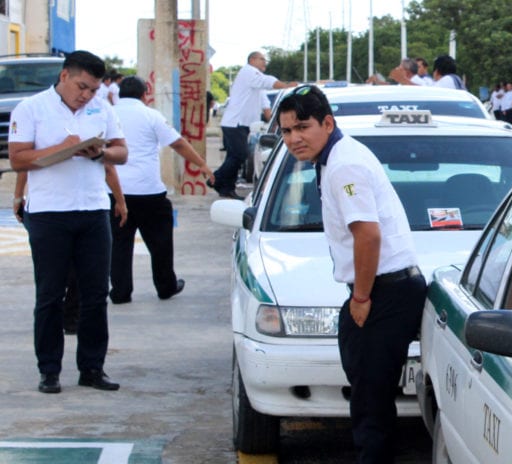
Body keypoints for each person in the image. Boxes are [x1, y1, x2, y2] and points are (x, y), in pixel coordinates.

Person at [276, 85, 427, 463]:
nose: (294, 138)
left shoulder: (344, 164)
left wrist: (361, 298)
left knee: (370, 404)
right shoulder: (334, 158)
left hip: (384, 291)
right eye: (286, 131)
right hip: (384, 288)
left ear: (328, 123)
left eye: (302, 127)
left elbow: (368, 235)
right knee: (369, 397)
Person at [8, 50, 128, 394]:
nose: (87, 95)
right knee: (49, 295)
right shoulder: (31, 108)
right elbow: (18, 159)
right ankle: (49, 371)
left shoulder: (101, 109)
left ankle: (92, 368)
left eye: (93, 89)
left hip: (92, 211)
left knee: (95, 295)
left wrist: (100, 153)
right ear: (64, 76)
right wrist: (61, 148)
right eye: (82, 87)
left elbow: (122, 152)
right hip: (48, 214)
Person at [109, 76, 215, 304]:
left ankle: (120, 291)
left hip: (115, 192)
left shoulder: (107, 114)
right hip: (148, 192)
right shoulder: (151, 115)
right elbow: (177, 143)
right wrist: (201, 164)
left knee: (119, 243)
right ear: (145, 94)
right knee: (160, 242)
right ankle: (165, 286)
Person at [13, 167, 128, 335]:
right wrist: (120, 200)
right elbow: (108, 167)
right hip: (79, 211)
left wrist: (18, 197)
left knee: (54, 276)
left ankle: (64, 315)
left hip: (45, 213)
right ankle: (69, 315)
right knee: (76, 270)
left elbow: (23, 164)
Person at [211, 51, 297, 199]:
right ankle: (215, 179)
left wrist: (274, 121)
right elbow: (267, 82)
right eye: (262, 59)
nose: (265, 62)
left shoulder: (255, 81)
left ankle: (227, 187)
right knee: (240, 154)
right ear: (252, 60)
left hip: (242, 124)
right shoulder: (249, 72)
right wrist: (286, 85)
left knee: (234, 156)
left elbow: (265, 103)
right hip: (235, 122)